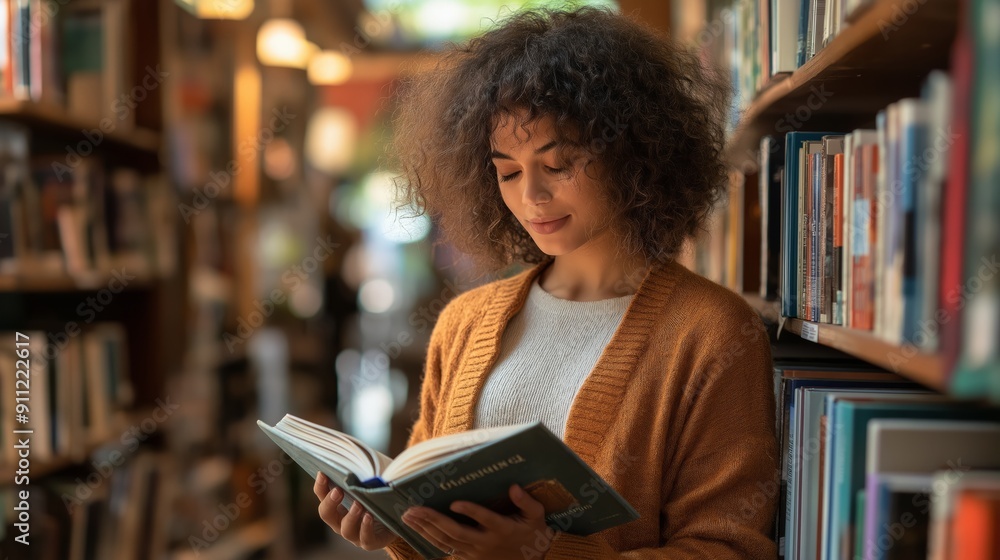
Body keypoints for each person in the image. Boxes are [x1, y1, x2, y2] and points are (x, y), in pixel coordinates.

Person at [314, 5, 778, 559]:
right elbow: (433, 522)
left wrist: (543, 554)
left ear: (631, 153)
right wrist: (396, 530)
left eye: (558, 165)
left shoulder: (713, 333)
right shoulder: (465, 322)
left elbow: (729, 549)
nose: (530, 197)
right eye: (507, 172)